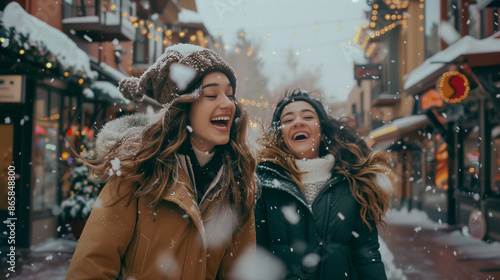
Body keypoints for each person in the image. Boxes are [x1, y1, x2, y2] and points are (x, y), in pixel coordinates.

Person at [66, 44, 257, 279]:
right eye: (211, 94)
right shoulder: (137, 170)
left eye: (230, 94)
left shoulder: (236, 183)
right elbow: (91, 266)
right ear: (182, 107)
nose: (228, 104)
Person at [254, 89, 392, 279]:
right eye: (288, 120)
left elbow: (366, 255)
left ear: (322, 129)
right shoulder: (264, 185)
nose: (298, 122)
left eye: (308, 116)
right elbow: (256, 257)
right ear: (280, 135)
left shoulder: (353, 183)